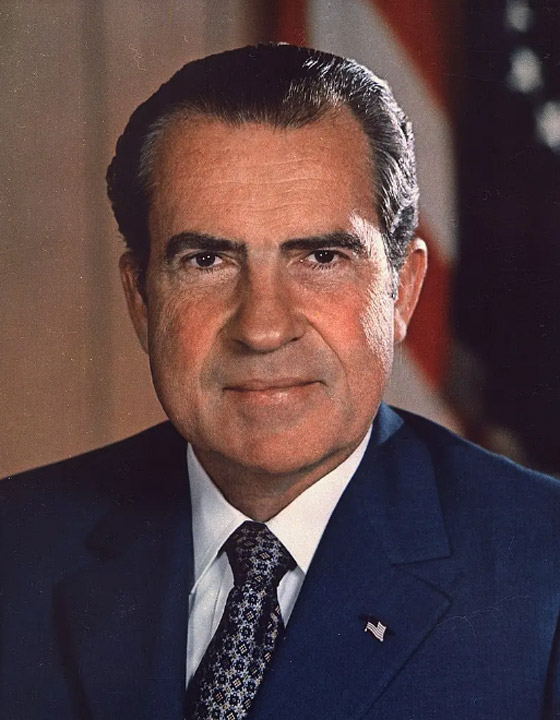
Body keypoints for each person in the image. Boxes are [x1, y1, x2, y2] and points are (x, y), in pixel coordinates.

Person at [1, 43, 559, 720]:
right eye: (206, 261)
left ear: (404, 292)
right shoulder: (16, 546)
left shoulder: (544, 571)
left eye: (321, 257)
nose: (262, 328)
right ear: (141, 301)